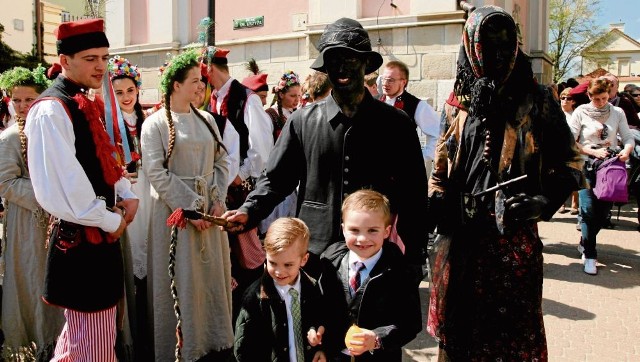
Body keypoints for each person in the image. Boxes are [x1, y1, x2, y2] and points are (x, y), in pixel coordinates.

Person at [427, 6, 583, 360]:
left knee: (511, 341)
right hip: (461, 242)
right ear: (472, 47)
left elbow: (572, 163)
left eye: (506, 46)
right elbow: (440, 170)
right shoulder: (456, 103)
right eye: (488, 47)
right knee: (459, 337)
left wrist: (544, 201)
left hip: (512, 246)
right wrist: (435, 200)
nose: (498, 57)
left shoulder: (537, 98)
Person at [222, 17, 430, 283]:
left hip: (375, 257)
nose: (342, 68)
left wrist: (414, 256)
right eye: (334, 60)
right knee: (316, 325)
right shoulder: (302, 121)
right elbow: (276, 179)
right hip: (315, 256)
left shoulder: (396, 125)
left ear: (365, 64)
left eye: (350, 59)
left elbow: (413, 195)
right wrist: (249, 210)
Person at [24, 18, 138, 361]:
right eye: (90, 58)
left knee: (83, 342)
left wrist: (127, 194)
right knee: (93, 346)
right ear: (64, 61)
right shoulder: (50, 110)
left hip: (97, 238)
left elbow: (103, 158)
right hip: (82, 240)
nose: (101, 65)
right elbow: (63, 189)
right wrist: (108, 220)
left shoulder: (82, 101)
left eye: (104, 57)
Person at [140, 49, 233, 360]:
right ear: (175, 85)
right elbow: (156, 172)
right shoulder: (154, 124)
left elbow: (221, 161)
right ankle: (180, 348)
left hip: (209, 215)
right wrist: (191, 207)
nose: (200, 87)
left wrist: (217, 200)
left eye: (201, 81)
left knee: (208, 283)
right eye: (194, 81)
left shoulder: (207, 120)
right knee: (179, 281)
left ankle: (211, 343)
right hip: (175, 215)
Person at [202, 46, 274, 324]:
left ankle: (254, 318)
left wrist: (239, 175)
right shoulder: (211, 99)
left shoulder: (247, 99)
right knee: (226, 261)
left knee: (249, 259)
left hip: (240, 191)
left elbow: (262, 149)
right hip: (219, 191)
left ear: (208, 69)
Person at [0, 65, 65, 360]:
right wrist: (47, 196)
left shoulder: (50, 129)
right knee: (30, 277)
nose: (23, 106)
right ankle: (33, 343)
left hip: (57, 219)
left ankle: (58, 342)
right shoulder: (9, 138)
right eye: (17, 100)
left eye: (30, 99)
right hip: (26, 222)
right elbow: (6, 182)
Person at [321, 189, 422, 361]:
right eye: (354, 230)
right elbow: (320, 308)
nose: (362, 239)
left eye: (372, 230)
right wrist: (320, 342)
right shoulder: (329, 261)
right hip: (334, 356)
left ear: (386, 231)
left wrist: (377, 338)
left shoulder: (400, 271)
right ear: (343, 229)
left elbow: (410, 323)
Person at [234, 217, 341, 361]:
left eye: (288, 265)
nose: (279, 272)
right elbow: (244, 347)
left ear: (303, 260)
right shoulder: (255, 297)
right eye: (273, 263)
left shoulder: (313, 288)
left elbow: (322, 319)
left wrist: (322, 347)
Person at [108, 54, 152, 360]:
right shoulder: (106, 124)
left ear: (138, 91)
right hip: (124, 195)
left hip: (148, 193)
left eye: (130, 91)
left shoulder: (150, 121)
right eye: (119, 92)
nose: (126, 97)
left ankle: (151, 327)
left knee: (149, 260)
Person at [569, 78, 634, 275]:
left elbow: (628, 136)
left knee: (602, 212)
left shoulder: (617, 112)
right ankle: (590, 255)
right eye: (596, 99)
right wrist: (591, 151)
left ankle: (584, 241)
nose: (600, 102)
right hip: (586, 166)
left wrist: (627, 149)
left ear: (610, 95)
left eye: (604, 98)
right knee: (588, 211)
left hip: (610, 168)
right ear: (589, 95)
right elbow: (571, 140)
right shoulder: (581, 111)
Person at [380, 60, 439, 178]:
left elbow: (438, 134)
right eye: (384, 79)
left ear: (403, 82)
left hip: (404, 173)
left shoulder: (417, 105)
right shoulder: (375, 102)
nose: (385, 83)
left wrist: (423, 156)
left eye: (391, 80)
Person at [558, 87, 580, 215]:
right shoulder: (556, 113)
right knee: (559, 177)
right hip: (558, 149)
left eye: (569, 98)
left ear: (573, 101)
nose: (565, 100)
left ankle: (574, 203)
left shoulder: (576, 114)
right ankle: (561, 203)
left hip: (574, 149)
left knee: (575, 177)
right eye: (563, 98)